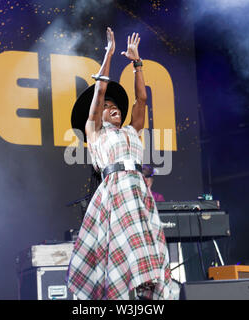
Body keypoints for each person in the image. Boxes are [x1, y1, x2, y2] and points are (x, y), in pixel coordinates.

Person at [67, 27, 174, 300]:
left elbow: (142, 99)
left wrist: (137, 64)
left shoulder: (131, 130)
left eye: (116, 106)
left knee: (146, 256)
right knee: (122, 255)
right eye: (107, 106)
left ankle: (146, 300)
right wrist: (109, 54)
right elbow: (100, 91)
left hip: (137, 194)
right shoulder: (95, 133)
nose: (112, 107)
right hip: (115, 196)